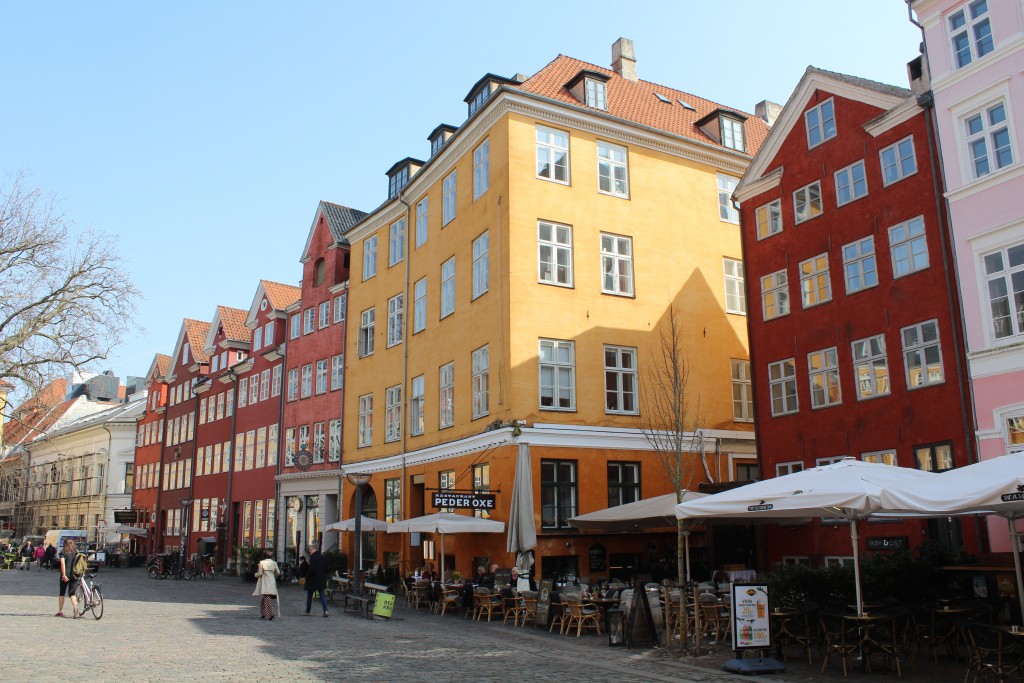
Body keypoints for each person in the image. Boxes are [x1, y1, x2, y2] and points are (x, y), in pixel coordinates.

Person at [253, 549, 281, 620]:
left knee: (267, 597)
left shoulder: (262, 562)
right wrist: (272, 574)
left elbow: (260, 573)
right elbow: (278, 572)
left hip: (265, 581)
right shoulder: (274, 562)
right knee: (265, 598)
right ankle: (263, 613)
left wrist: (255, 575)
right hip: (272, 580)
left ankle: (271, 613)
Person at [56, 539, 81, 618]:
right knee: (72, 593)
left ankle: (60, 611)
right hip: (74, 574)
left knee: (62, 593)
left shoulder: (63, 552)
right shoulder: (76, 552)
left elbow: (62, 564)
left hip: (66, 574)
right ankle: (75, 607)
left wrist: (64, 575)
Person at [304, 545, 329, 617]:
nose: (309, 551)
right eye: (309, 549)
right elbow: (327, 569)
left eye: (311, 549)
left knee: (309, 596)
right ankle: (326, 610)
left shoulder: (313, 558)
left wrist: (307, 576)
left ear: (315, 550)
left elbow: (311, 569)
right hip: (321, 579)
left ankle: (308, 611)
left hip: (312, 580)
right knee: (322, 595)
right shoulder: (324, 557)